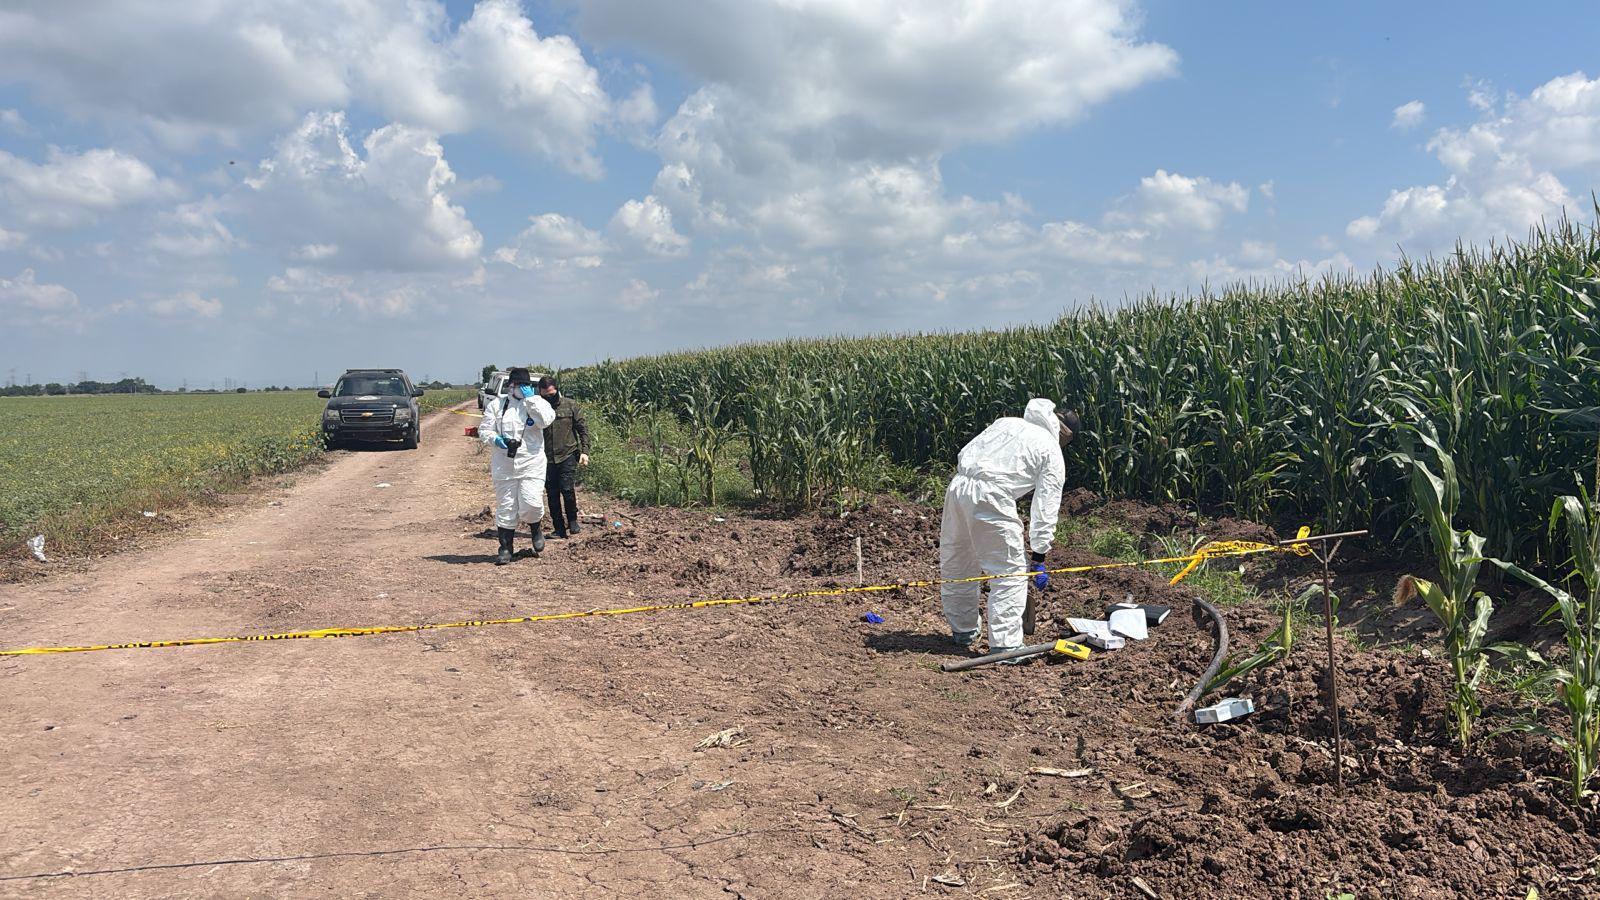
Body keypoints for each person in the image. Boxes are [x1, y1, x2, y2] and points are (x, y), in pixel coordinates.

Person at [940, 398, 1079, 654]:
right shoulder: (1050, 449)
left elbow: (968, 451)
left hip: (958, 487)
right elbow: (1045, 508)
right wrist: (1039, 555)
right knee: (1010, 573)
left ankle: (963, 630)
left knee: (958, 563)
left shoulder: (1006, 423)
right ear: (1063, 432)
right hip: (991, 496)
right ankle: (1005, 646)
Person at [479, 367, 557, 565]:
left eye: (525, 385)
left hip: (532, 464)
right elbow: (484, 430)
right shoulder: (497, 405)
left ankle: (536, 529)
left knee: (531, 503)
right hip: (504, 465)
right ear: (510, 385)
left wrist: (531, 400)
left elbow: (546, 420)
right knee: (506, 507)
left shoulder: (538, 402)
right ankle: (505, 547)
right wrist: (496, 440)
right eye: (518, 385)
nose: (521, 389)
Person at [537, 376, 591, 538]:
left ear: (557, 390)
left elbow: (583, 430)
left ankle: (573, 521)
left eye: (551, 394)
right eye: (545, 395)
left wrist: (585, 451)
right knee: (552, 494)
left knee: (567, 489)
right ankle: (559, 528)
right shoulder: (536, 408)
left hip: (567, 454)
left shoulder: (570, 405)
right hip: (545, 458)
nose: (548, 397)